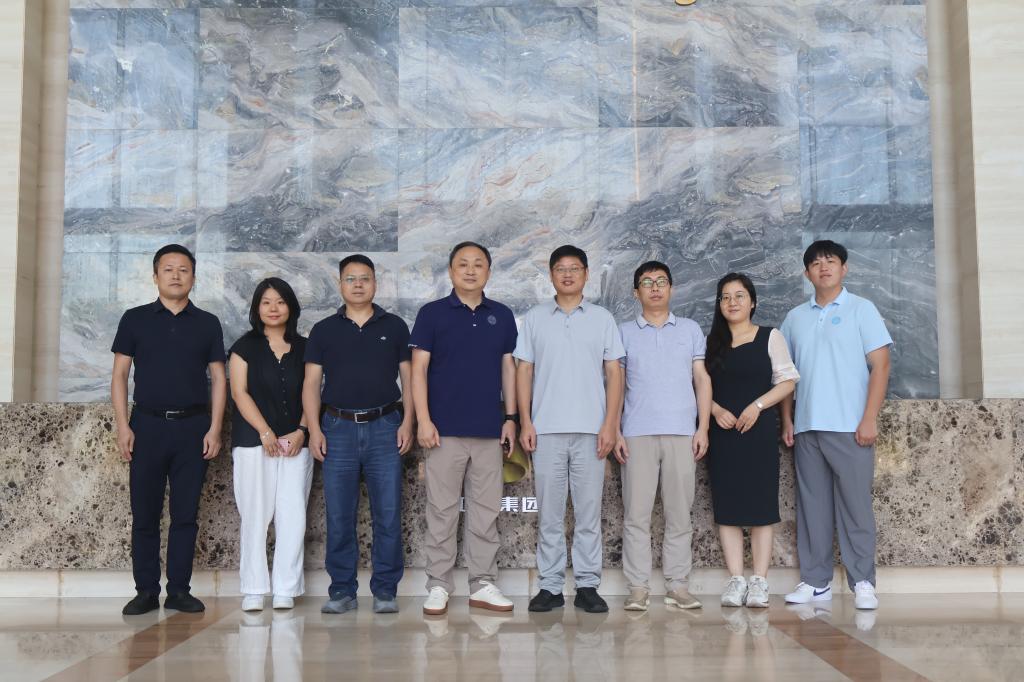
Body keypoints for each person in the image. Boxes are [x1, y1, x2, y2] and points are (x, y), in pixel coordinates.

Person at [111, 244, 226, 615]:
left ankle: (179, 590)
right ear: (155, 275)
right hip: (146, 426)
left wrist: (215, 428)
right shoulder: (134, 319)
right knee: (144, 515)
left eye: (183, 269)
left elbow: (219, 379)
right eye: (168, 269)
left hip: (193, 427)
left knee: (185, 515)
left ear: (194, 277)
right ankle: (145, 591)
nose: (176, 276)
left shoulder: (208, 323)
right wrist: (123, 426)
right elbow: (119, 376)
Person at [780, 240, 892, 610]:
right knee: (812, 508)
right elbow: (786, 376)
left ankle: (863, 582)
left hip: (850, 426)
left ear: (844, 268)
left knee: (855, 506)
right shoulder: (795, 318)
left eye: (830, 261)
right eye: (815, 263)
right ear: (806, 273)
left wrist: (869, 417)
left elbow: (881, 366)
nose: (823, 267)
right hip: (807, 427)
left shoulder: (862, 309)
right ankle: (816, 582)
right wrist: (787, 420)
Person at [410, 241, 519, 616]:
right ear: (451, 271)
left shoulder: (501, 315)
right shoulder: (432, 314)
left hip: (489, 431)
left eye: (478, 264)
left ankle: (483, 584)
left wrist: (511, 418)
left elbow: (508, 369)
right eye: (463, 264)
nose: (470, 270)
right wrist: (424, 420)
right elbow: (418, 370)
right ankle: (438, 585)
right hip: (443, 432)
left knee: (486, 512)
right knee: (441, 512)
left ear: (488, 271)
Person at [516, 244, 625, 614]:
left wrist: (610, 425)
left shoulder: (602, 319)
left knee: (588, 514)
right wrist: (526, 421)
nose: (567, 274)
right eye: (560, 268)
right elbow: (524, 371)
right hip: (546, 429)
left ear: (586, 274)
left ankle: (587, 585)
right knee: (549, 514)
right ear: (550, 275)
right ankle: (549, 586)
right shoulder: (534, 318)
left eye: (574, 268)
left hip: (592, 431)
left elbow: (614, 373)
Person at [303, 255, 415, 615]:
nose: (358, 284)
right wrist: (314, 429)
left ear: (375, 283)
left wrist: (408, 422)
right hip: (337, 428)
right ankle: (341, 591)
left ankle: (385, 590)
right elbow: (311, 384)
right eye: (350, 279)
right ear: (340, 285)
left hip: (385, 426)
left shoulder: (394, 326)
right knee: (339, 514)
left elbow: (410, 380)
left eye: (364, 278)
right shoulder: (323, 330)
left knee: (388, 513)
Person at [613, 261, 711, 612]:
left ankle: (678, 586)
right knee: (636, 516)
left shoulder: (690, 329)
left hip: (682, 433)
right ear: (635, 292)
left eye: (661, 281)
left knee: (679, 514)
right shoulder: (623, 332)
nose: (654, 288)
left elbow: (701, 379)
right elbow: (616, 385)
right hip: (636, 433)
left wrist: (702, 427)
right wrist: (615, 430)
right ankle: (638, 588)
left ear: (671, 288)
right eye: (646, 282)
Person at [704, 273, 798, 608]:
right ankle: (736, 580)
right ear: (719, 304)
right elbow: (698, 386)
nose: (732, 302)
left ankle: (759, 581)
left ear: (753, 301)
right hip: (722, 435)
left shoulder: (770, 337)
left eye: (739, 296)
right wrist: (715, 410)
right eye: (726, 297)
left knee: (761, 508)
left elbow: (787, 381)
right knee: (727, 507)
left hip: (758, 433)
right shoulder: (711, 343)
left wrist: (758, 406)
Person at [229, 277, 312, 612]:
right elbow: (239, 393)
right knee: (255, 515)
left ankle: (286, 588)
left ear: (290, 306)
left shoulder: (306, 347)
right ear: (257, 308)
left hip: (296, 443)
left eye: (280, 301)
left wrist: (302, 430)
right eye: (266, 302)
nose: (273, 308)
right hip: (253, 442)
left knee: (293, 516)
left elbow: (313, 392)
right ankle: (253, 588)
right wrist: (264, 432)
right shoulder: (244, 347)